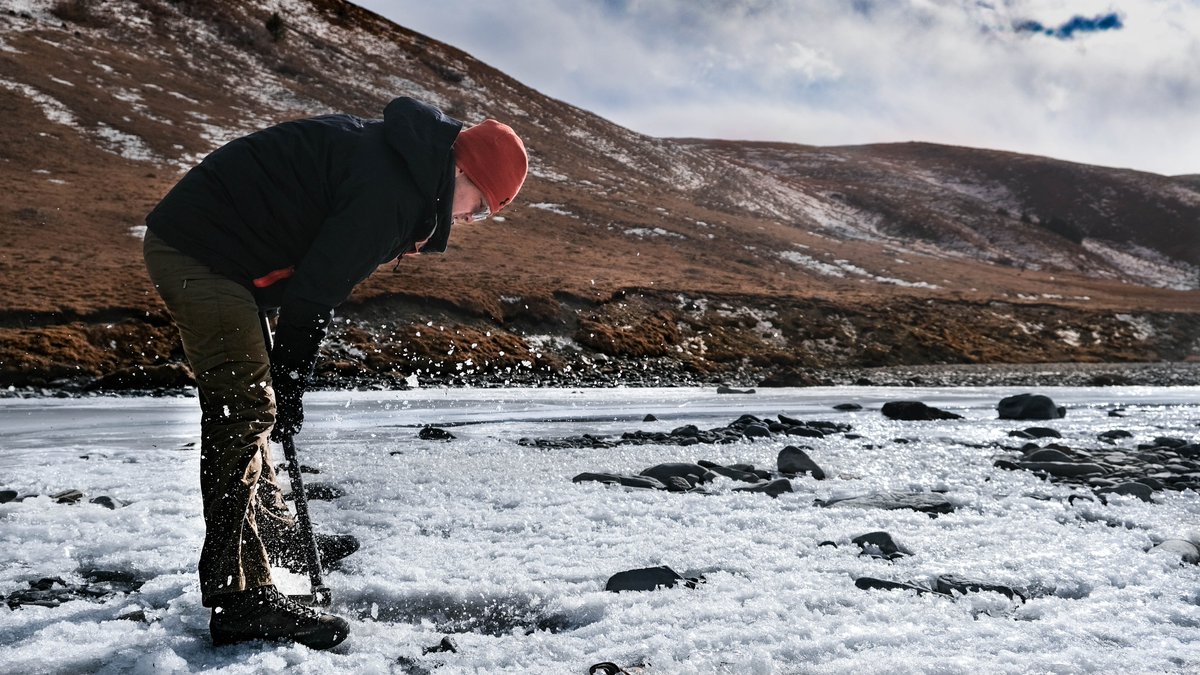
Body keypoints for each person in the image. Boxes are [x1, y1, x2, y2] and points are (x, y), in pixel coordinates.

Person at [142, 97, 528, 649]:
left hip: (230, 257)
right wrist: (291, 382)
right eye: (483, 206)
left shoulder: (403, 169)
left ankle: (277, 536)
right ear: (462, 172)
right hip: (202, 252)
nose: (471, 219)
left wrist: (287, 379)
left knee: (259, 402)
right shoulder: (393, 190)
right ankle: (241, 598)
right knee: (246, 410)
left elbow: (312, 280)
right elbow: (314, 293)